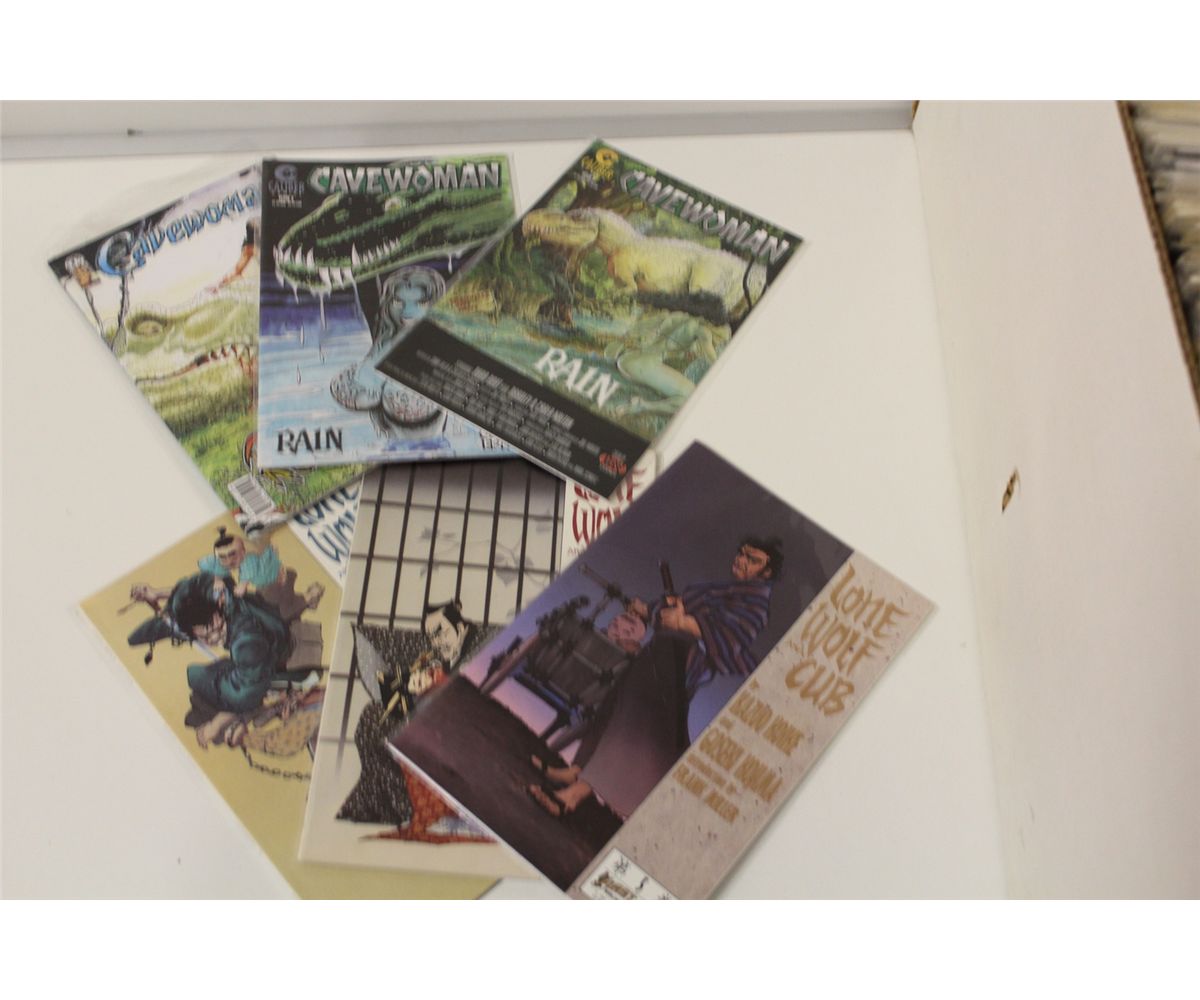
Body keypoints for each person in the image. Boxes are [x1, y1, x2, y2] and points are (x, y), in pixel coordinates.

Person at [528, 536, 782, 820]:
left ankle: (572, 797)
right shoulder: (728, 588)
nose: (742, 560)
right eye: (742, 553)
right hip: (662, 653)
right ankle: (576, 771)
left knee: (631, 725)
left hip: (679, 667)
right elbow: (677, 611)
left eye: (752, 559)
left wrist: (686, 622)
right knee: (614, 707)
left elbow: (731, 638)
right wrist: (651, 610)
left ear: (767, 572)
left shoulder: (756, 603)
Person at [134, 571, 295, 748]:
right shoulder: (204, 603)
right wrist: (156, 594)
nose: (215, 638)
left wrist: (216, 724)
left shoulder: (246, 641)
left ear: (221, 608)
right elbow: (189, 594)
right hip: (251, 663)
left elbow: (244, 695)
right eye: (206, 637)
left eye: (219, 629)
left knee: (198, 679)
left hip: (271, 655)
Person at [198, 527, 323, 623]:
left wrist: (242, 586)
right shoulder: (221, 562)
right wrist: (216, 578)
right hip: (266, 584)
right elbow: (206, 563)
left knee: (282, 613)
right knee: (273, 607)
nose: (229, 561)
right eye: (223, 557)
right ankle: (307, 602)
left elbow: (247, 575)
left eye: (232, 555)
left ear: (243, 552)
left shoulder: (248, 560)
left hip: (275, 579)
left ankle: (309, 596)